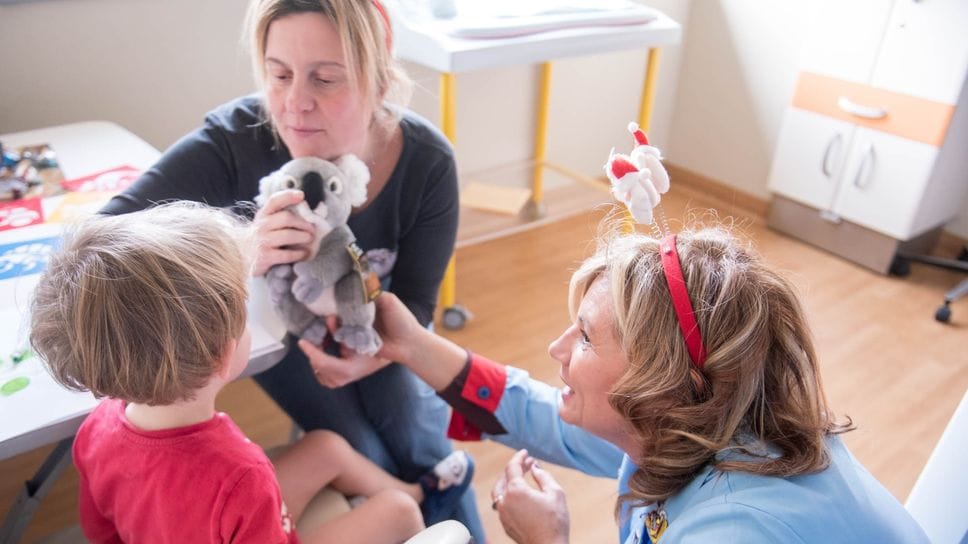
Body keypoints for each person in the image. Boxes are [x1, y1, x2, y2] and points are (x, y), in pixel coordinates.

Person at [99, 0, 483, 538]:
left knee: (420, 440)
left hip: (376, 328)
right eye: (278, 76)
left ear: (379, 82)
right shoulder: (235, 141)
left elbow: (418, 302)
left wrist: (372, 356)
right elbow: (105, 237)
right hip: (286, 338)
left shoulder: (426, 163)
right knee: (361, 449)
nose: (294, 104)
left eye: (326, 79)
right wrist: (240, 247)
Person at [305, 222, 931, 543]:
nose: (555, 350)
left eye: (582, 338)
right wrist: (410, 342)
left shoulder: (737, 529)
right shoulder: (704, 412)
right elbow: (539, 412)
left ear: (662, 384)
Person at [28, 203, 474, 543]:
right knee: (398, 512)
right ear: (226, 356)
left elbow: (101, 531)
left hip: (206, 517)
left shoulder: (95, 429)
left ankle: (423, 491)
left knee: (326, 447)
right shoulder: (242, 474)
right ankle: (416, 503)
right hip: (241, 518)